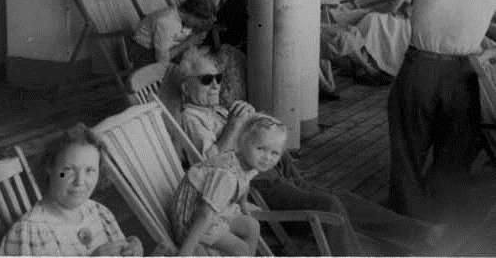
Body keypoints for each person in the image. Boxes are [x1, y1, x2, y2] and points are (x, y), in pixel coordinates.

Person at [172, 46, 447, 255]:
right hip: (253, 186)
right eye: (206, 80)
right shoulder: (191, 118)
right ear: (186, 88)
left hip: (267, 170)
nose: (217, 85)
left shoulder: (214, 109)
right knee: (328, 205)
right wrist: (234, 125)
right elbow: (210, 163)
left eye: (219, 78)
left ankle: (418, 234)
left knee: (341, 197)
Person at [388, 0, 496, 222]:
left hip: (420, 69)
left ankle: (407, 221)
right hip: (464, 74)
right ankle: (444, 223)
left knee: (408, 150)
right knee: (455, 154)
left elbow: (402, 1)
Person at [0, 123, 143, 256]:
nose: (80, 181)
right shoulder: (28, 233)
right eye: (67, 170)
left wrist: (130, 247)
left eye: (90, 170)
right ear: (49, 168)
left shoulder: (100, 213)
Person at [170, 114, 284, 256]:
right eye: (260, 149)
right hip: (191, 221)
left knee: (252, 225)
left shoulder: (246, 162)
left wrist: (243, 205)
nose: (267, 157)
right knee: (241, 248)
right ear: (242, 142)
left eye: (275, 153)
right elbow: (205, 213)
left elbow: (245, 182)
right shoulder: (227, 176)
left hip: (214, 210)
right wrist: (186, 251)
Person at [129, 0, 215, 68]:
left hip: (156, 51)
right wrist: (188, 42)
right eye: (200, 22)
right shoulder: (167, 21)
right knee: (183, 74)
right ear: (192, 14)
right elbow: (162, 60)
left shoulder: (178, 15)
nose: (199, 25)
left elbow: (176, 36)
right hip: (141, 52)